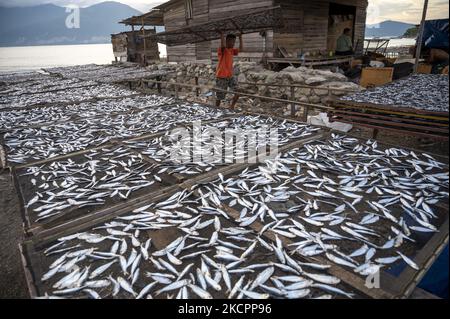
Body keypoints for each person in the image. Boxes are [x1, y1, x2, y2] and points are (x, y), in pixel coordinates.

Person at [215, 32, 243, 109]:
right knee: (220, 96)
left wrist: (240, 37)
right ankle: (216, 109)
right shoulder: (222, 50)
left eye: (234, 41)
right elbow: (223, 46)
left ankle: (232, 106)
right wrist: (222, 35)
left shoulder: (232, 50)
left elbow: (241, 49)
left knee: (238, 91)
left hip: (230, 76)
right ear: (227, 41)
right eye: (231, 41)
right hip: (221, 76)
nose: (233, 43)